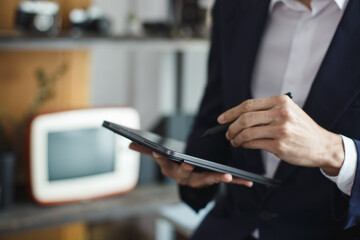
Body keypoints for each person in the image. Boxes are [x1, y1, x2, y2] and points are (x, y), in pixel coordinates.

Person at [130, 0, 360, 239]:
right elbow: (214, 117)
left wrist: (333, 152)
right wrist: (190, 168)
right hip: (231, 226)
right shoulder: (233, 6)